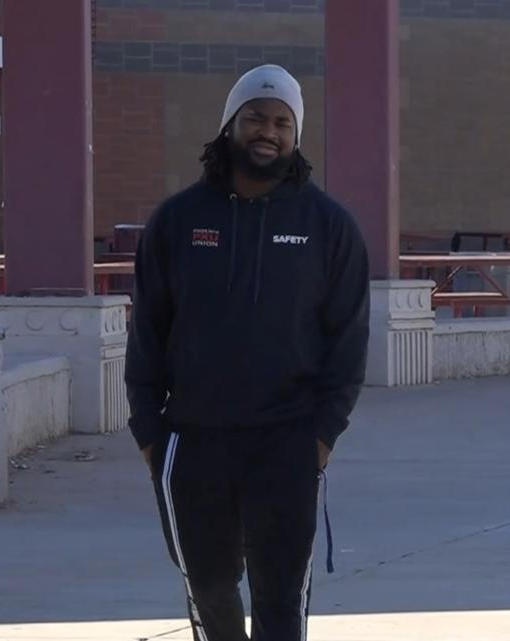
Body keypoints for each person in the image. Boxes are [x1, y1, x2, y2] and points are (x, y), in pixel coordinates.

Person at [124, 64, 371, 641]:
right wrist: (148, 435)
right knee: (208, 588)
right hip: (193, 438)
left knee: (281, 596)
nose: (269, 131)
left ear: (296, 135)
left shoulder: (328, 226)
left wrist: (322, 435)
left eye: (283, 122)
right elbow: (147, 335)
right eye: (255, 117)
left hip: (288, 440)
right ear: (229, 126)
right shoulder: (178, 221)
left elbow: (349, 339)